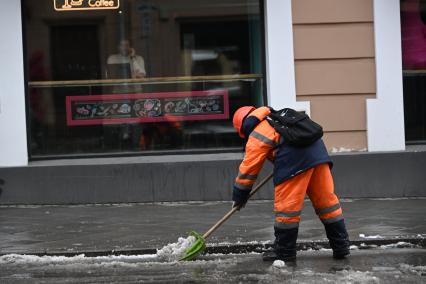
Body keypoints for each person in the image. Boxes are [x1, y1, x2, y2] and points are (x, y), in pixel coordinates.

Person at [231, 106, 350, 262]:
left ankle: (284, 253)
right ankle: (341, 245)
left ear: (242, 128)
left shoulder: (258, 132)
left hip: (294, 162)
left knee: (287, 210)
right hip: (318, 155)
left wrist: (240, 195)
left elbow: (248, 169)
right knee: (328, 204)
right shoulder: (278, 119)